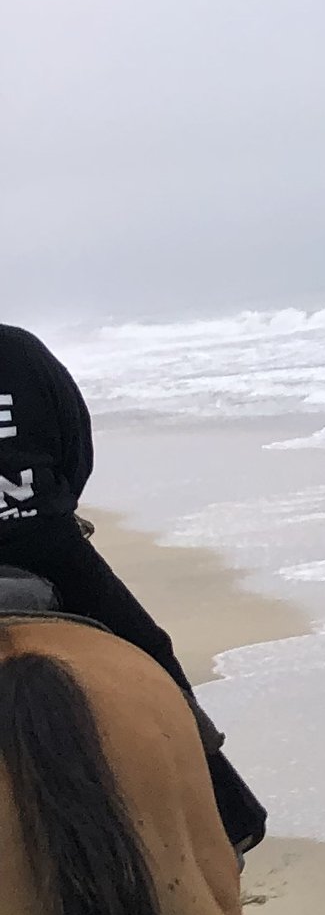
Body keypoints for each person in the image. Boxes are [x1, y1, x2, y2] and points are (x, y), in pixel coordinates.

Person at [0, 322, 267, 855]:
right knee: (149, 648)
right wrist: (43, 510)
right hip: (47, 546)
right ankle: (225, 815)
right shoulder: (18, 350)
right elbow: (76, 449)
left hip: (44, 538)